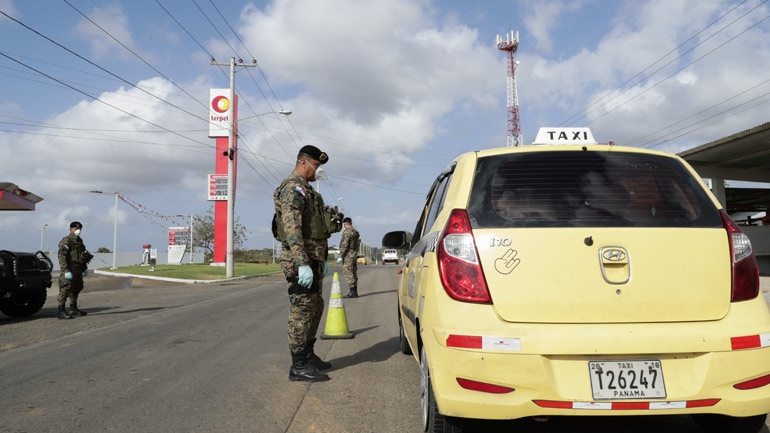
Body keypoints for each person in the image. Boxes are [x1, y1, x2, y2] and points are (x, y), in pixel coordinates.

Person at [273, 145, 336, 382]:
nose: (316, 172)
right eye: (316, 167)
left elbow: (317, 228)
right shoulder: (293, 188)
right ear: (303, 163)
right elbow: (292, 229)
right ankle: (298, 365)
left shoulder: (307, 190)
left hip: (313, 258)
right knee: (301, 311)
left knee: (314, 307)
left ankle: (308, 356)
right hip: (300, 260)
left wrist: (321, 259)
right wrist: (301, 263)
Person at [57, 221, 93, 320]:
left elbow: (83, 256)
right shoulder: (66, 241)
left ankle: (74, 309)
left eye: (79, 229)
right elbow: (62, 256)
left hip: (78, 268)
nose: (78, 231)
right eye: (75, 229)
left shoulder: (79, 241)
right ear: (70, 229)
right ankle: (61, 311)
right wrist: (65, 270)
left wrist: (84, 268)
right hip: (69, 267)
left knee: (76, 288)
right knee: (65, 288)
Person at [337, 217, 360, 298]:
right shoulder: (355, 231)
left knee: (348, 273)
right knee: (353, 272)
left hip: (348, 255)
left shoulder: (347, 232)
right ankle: (354, 291)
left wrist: (340, 256)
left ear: (345, 224)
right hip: (354, 253)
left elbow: (344, 245)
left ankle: (352, 292)